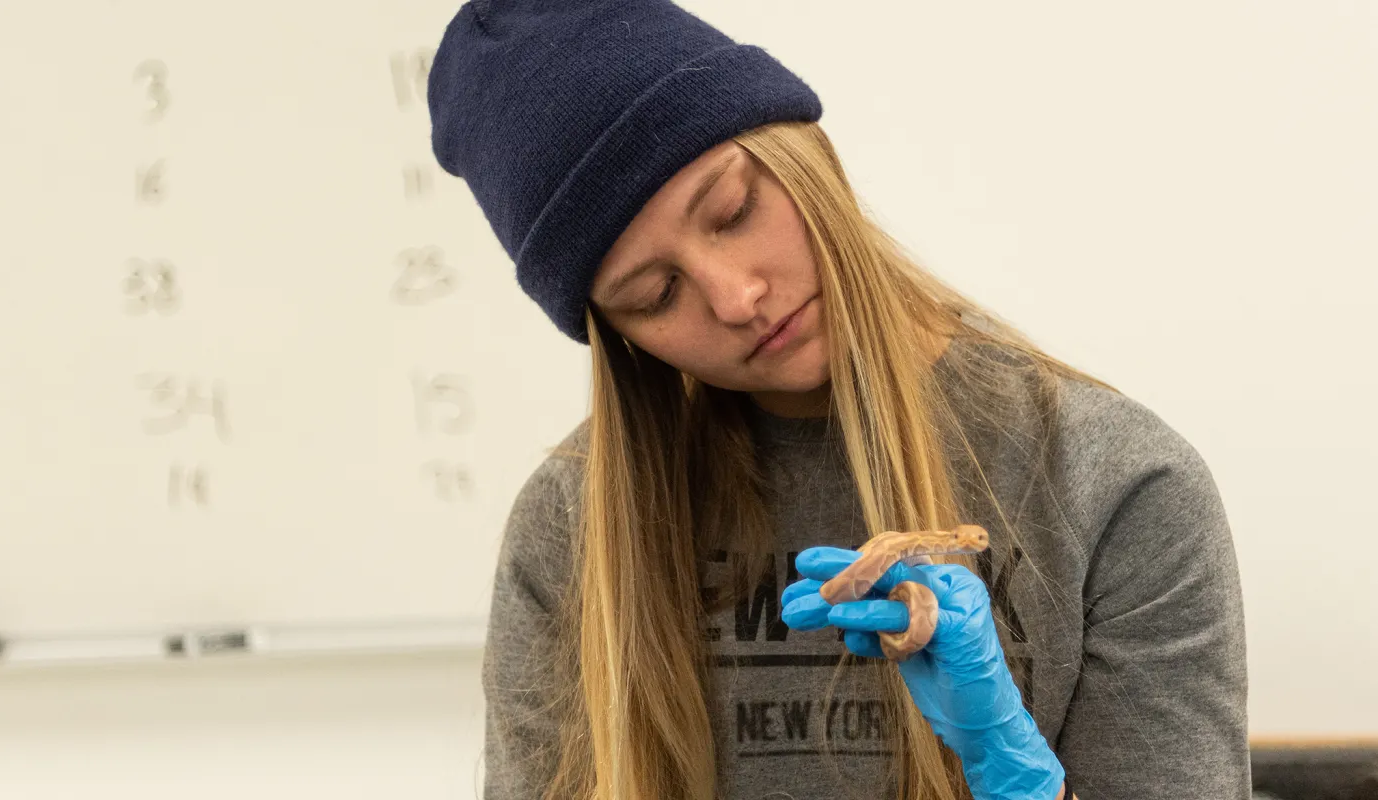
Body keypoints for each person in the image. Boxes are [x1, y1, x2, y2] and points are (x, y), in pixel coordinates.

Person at [427, 1, 1250, 799]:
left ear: (808, 154)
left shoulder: (1118, 487)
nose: (737, 296)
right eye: (654, 293)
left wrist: (1011, 772)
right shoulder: (569, 529)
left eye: (733, 210)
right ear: (620, 338)